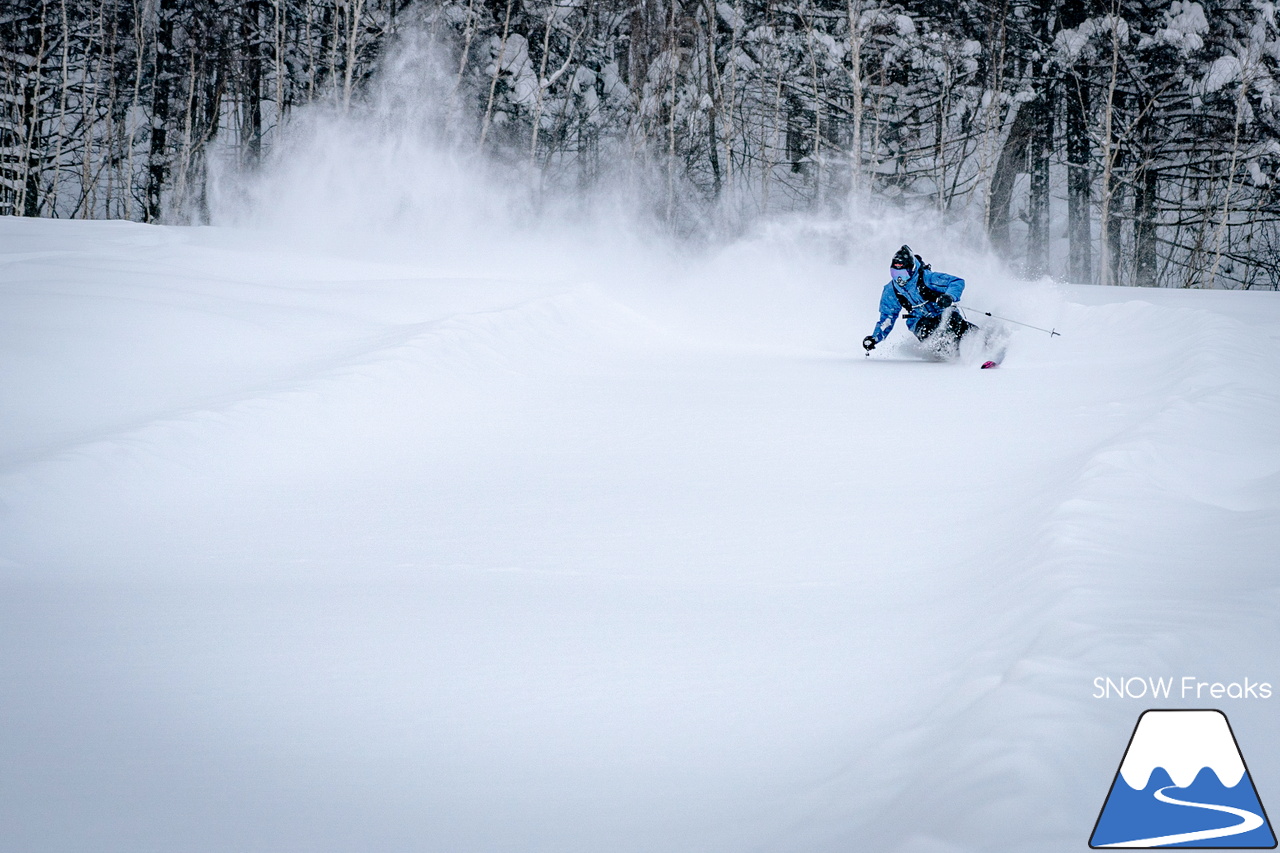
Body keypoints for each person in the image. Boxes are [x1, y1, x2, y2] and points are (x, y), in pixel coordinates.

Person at [862, 245, 974, 356]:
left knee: (954, 323)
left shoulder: (928, 278)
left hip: (942, 312)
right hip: (919, 320)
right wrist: (875, 338)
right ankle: (950, 355)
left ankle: (978, 345)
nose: (899, 280)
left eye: (903, 275)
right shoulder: (892, 290)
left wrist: (950, 296)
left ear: (912, 269)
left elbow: (956, 282)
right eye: (895, 274)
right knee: (928, 332)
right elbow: (887, 318)